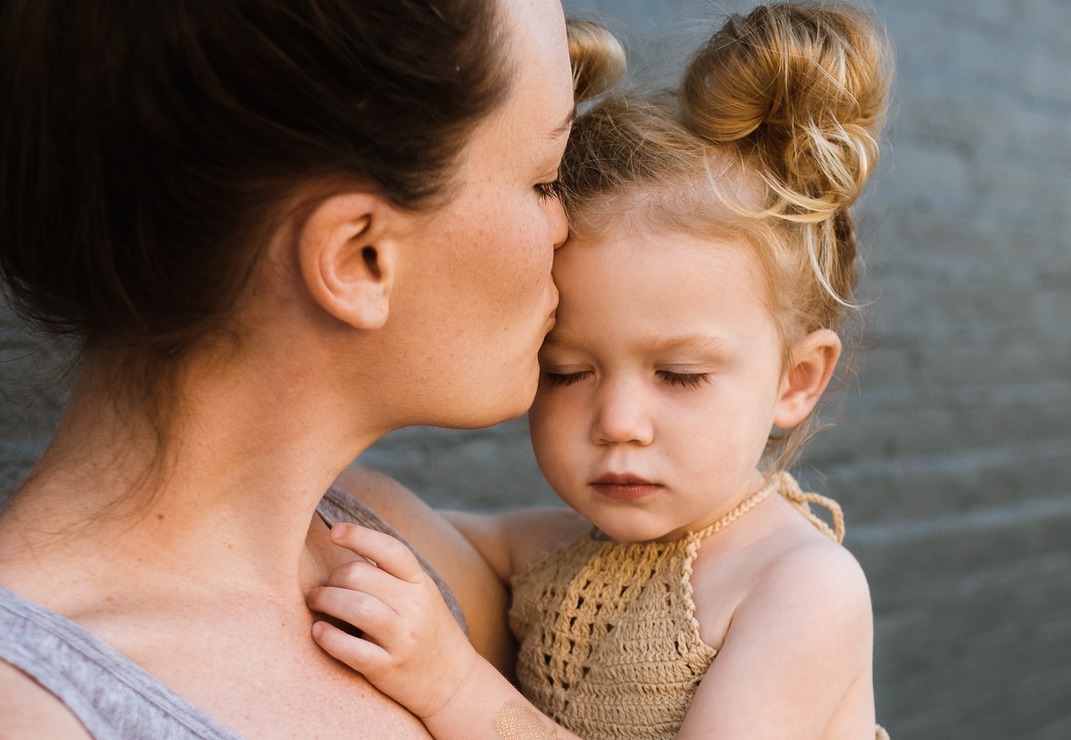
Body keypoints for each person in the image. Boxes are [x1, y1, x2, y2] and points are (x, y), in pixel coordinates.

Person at [0, 0, 623, 736]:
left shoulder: (398, 547)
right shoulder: (37, 713)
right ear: (359, 257)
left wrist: (777, 587)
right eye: (544, 181)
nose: (566, 228)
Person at [308, 2, 895, 738]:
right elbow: (384, 527)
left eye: (679, 375)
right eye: (565, 372)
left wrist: (452, 684)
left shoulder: (798, 587)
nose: (617, 421)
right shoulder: (552, 551)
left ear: (796, 380)